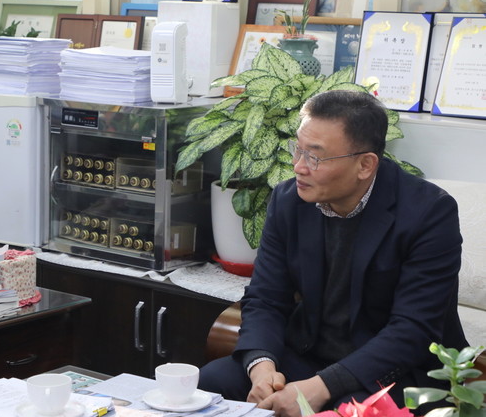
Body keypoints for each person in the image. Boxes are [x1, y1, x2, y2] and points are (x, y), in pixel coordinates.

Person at [198, 90, 467, 416]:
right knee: (214, 382)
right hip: (307, 357)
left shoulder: (429, 213)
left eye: (315, 157)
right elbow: (266, 298)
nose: (299, 167)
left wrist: (321, 387)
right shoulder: (288, 201)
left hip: (392, 372)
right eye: (297, 150)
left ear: (365, 165)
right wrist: (262, 367)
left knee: (346, 412)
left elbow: (412, 330)